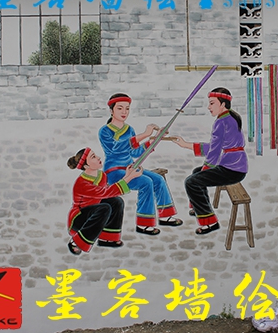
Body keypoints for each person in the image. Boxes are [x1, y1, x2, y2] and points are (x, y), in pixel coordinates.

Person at [99, 93, 182, 236]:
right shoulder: (104, 131)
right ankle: (144, 224)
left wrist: (153, 140)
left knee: (158, 179)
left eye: (127, 108)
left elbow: (135, 152)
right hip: (114, 172)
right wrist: (144, 134)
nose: (124, 112)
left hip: (130, 168)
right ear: (111, 110)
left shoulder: (129, 129)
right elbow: (116, 148)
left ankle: (165, 215)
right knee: (145, 182)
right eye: (120, 108)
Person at [173, 87, 248, 235]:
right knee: (196, 172)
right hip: (235, 166)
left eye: (212, 103)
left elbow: (214, 151)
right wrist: (186, 144)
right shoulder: (230, 118)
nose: (209, 107)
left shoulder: (221, 122)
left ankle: (209, 222)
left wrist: (206, 167)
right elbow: (215, 146)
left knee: (191, 182)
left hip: (232, 169)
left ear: (223, 104)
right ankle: (198, 208)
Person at [66, 146, 143, 255]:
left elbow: (108, 192)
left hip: (94, 211)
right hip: (79, 219)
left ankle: (108, 238)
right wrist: (129, 177)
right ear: (86, 166)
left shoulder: (101, 175)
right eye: (93, 157)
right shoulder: (82, 183)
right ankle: (77, 242)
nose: (98, 157)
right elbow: (105, 192)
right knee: (104, 208)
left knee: (116, 201)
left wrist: (127, 175)